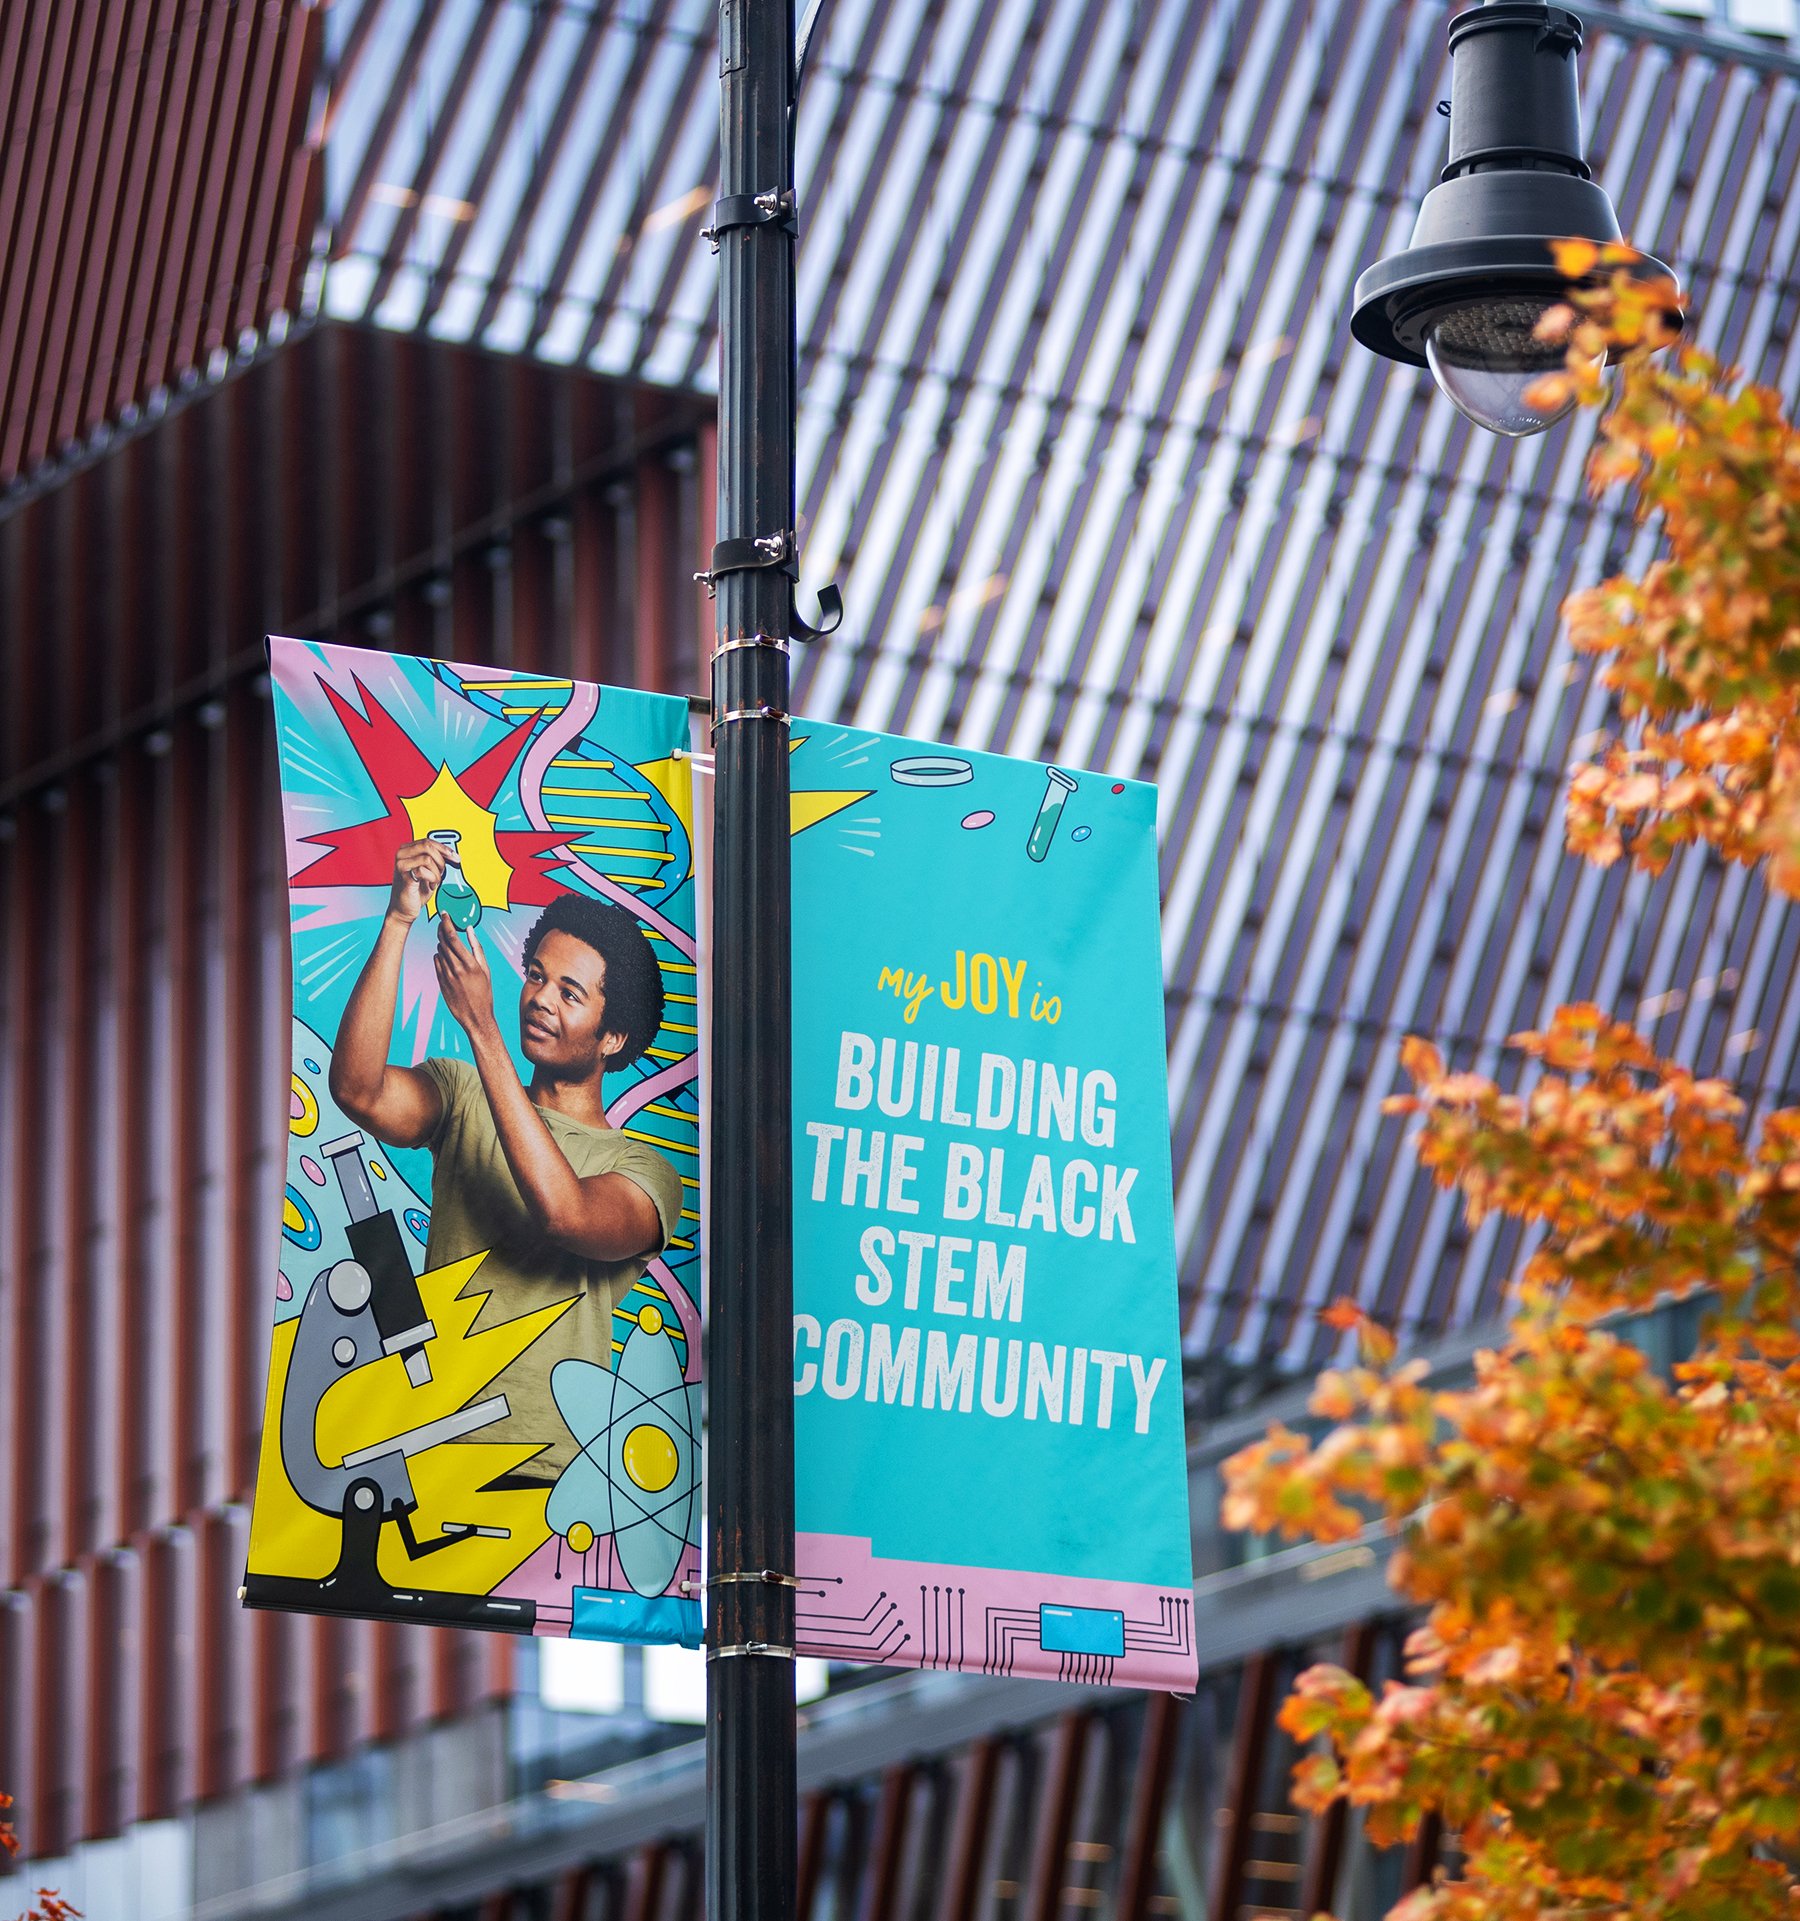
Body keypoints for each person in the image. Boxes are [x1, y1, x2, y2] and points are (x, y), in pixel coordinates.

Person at [329, 838, 684, 1484]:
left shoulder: (645, 1171)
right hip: (428, 1451)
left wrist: (484, 1030)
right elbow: (358, 1089)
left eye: (570, 992)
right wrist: (399, 920)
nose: (541, 998)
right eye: (538, 975)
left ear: (614, 1036)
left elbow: (566, 1213)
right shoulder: (463, 1093)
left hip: (549, 1477)